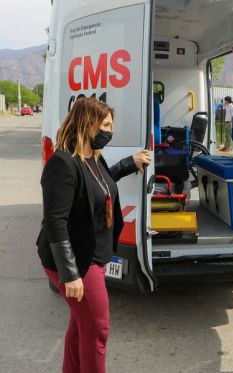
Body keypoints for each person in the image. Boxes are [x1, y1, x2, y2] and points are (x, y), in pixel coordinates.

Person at [36, 97, 151, 373]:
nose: (110, 132)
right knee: (98, 330)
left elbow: (98, 188)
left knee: (81, 325)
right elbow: (55, 221)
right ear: (88, 124)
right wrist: (70, 273)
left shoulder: (92, 159)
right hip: (79, 262)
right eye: (106, 125)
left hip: (94, 257)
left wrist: (127, 164)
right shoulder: (63, 163)